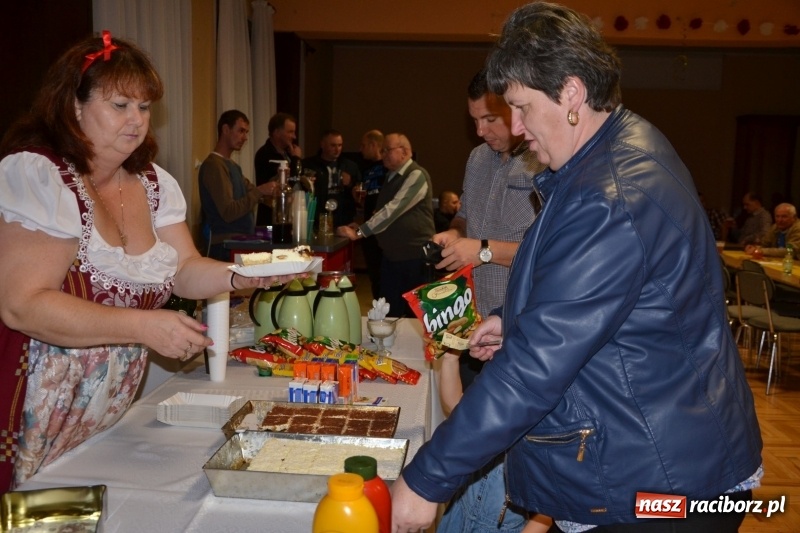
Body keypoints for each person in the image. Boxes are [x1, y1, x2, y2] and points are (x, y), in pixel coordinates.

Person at [391, 4, 762, 533]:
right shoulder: (621, 143)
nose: (516, 127)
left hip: (663, 482)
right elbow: (600, 297)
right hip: (667, 451)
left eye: (521, 107)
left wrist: (427, 479)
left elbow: (534, 370)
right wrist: (513, 319)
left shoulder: (609, 196)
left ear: (570, 92)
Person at [0, 31, 297, 492]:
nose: (136, 120)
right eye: (120, 105)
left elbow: (183, 269)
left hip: (101, 416)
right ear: (74, 106)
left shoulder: (153, 183)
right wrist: (143, 326)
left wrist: (243, 275)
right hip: (33, 409)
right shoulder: (41, 176)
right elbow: (22, 305)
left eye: (143, 107)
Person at [435, 69, 548, 388]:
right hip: (473, 322)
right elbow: (464, 215)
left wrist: (483, 251)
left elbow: (549, 254)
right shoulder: (477, 159)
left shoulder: (544, 161)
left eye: (489, 119)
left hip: (520, 327)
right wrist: (456, 233)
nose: (480, 131)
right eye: (474, 121)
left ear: (516, 109)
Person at [436, 351, 551, 533]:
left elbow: (546, 515)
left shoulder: (543, 435)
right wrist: (450, 357)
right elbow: (455, 406)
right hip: (458, 513)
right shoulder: (490, 413)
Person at [337, 133, 434, 317]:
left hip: (414, 257)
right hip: (392, 256)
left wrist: (360, 232)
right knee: (388, 312)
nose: (383, 155)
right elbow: (381, 212)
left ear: (404, 151)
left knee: (415, 316)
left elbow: (393, 210)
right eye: (382, 150)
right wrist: (361, 223)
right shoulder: (391, 176)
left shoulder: (416, 174)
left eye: (387, 150)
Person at [198, 110, 278, 261]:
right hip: (224, 247)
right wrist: (260, 191)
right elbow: (229, 211)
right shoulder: (213, 166)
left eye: (246, 132)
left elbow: (254, 192)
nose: (245, 137)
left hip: (239, 243)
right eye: (241, 131)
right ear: (225, 129)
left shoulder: (233, 166)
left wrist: (274, 189)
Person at [302, 129, 361, 228]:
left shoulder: (350, 166)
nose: (337, 149)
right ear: (322, 144)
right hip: (316, 219)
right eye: (333, 145)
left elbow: (359, 189)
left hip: (343, 220)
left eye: (340, 145)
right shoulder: (309, 165)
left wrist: (350, 183)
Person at [253, 112, 302, 225]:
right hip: (271, 217)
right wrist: (296, 159)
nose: (294, 136)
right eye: (290, 132)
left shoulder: (290, 153)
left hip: (289, 214)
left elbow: (298, 178)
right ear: (276, 132)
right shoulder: (265, 154)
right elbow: (286, 183)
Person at [355, 129, 387, 299]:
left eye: (364, 145)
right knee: (374, 275)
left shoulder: (388, 168)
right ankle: (378, 307)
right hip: (368, 231)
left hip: (384, 231)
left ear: (373, 145)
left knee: (385, 276)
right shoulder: (366, 170)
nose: (361, 149)